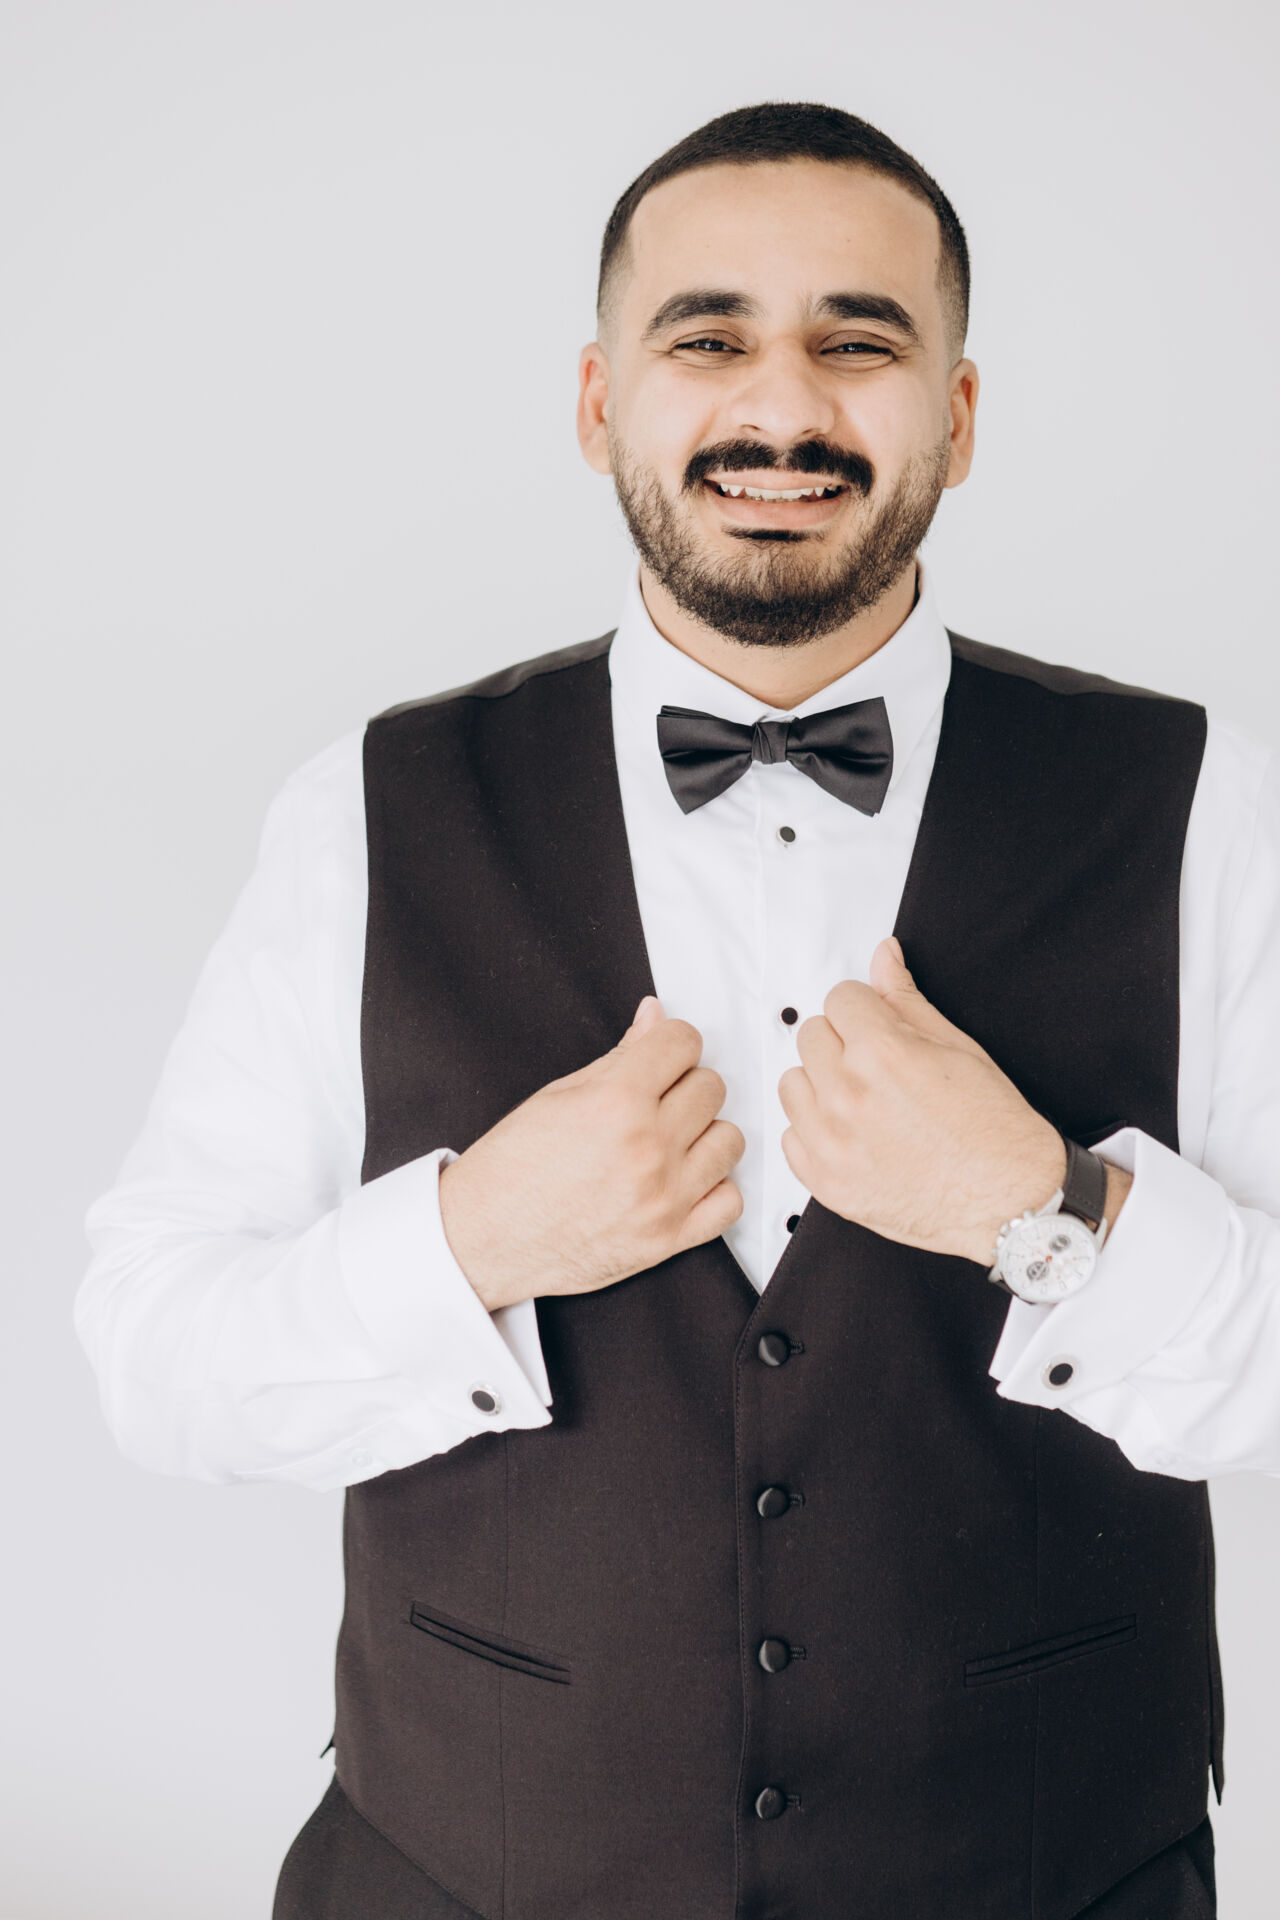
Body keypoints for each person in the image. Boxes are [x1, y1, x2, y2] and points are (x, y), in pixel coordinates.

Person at [75, 101, 1280, 1919]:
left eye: (858, 344)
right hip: (453, 1872)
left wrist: (1051, 1214)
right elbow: (154, 1360)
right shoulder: (367, 809)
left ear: (958, 415)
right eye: (706, 338)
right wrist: (470, 1241)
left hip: (1055, 1868)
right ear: (599, 403)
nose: (781, 408)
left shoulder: (1208, 809)